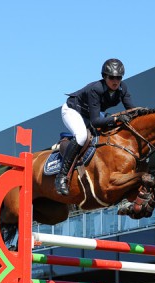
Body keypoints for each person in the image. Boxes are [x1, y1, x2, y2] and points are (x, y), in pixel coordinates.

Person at [56, 58, 136, 195]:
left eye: (118, 77)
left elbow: (132, 110)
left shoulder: (123, 88)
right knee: (81, 136)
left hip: (90, 114)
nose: (115, 81)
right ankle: (61, 177)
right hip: (73, 110)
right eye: (112, 77)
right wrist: (116, 118)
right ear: (105, 77)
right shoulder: (96, 89)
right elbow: (95, 122)